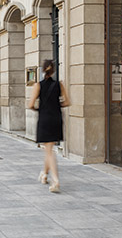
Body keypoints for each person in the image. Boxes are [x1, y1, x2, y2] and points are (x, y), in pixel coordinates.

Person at [27, 59, 71, 193]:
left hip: (45, 119)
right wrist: (57, 106)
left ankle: (55, 180)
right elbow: (67, 102)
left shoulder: (38, 85)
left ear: (42, 70)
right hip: (56, 118)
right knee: (49, 147)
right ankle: (44, 174)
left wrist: (39, 109)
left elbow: (30, 105)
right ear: (53, 71)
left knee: (49, 150)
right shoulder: (59, 85)